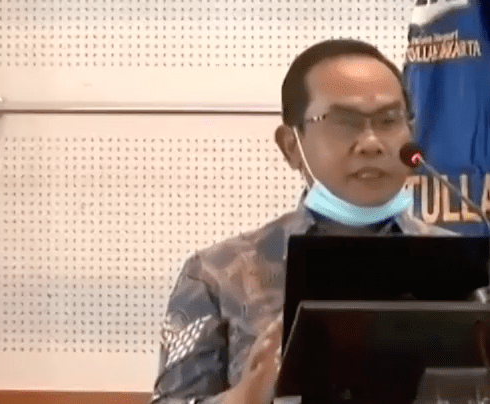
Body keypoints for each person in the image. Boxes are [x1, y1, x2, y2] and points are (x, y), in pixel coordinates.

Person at [150, 39, 454, 404]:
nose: (372, 143)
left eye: (389, 121)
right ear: (291, 146)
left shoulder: (463, 264)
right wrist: (244, 397)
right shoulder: (219, 274)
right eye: (345, 123)